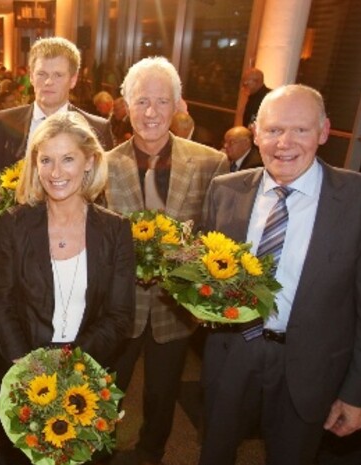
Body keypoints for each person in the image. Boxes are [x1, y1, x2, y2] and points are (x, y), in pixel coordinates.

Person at [198, 84, 361, 465]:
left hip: (311, 366)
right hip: (233, 355)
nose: (284, 143)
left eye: (300, 130)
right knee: (214, 452)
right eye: (274, 130)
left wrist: (359, 394)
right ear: (256, 133)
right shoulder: (225, 190)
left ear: (324, 132)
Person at [0, 112, 135, 463]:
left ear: (89, 161)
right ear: (35, 165)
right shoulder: (15, 224)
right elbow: (2, 303)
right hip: (22, 371)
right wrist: (29, 368)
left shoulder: (115, 230)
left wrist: (70, 368)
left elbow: (120, 317)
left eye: (68, 158)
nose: (56, 173)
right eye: (46, 160)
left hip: (86, 373)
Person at [104, 56, 228, 465]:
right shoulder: (102, 166)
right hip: (118, 307)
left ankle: (151, 453)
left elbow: (216, 236)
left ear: (178, 105)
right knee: (105, 390)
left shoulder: (211, 163)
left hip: (174, 309)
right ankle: (97, 451)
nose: (151, 112)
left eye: (162, 101)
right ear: (125, 104)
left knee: (162, 394)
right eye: (141, 101)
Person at [0, 37, 112, 191]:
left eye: (58, 75)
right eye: (42, 74)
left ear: (73, 80)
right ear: (31, 77)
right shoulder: (2, 122)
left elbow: (104, 189)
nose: (49, 82)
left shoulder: (97, 129)